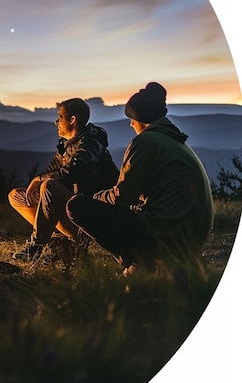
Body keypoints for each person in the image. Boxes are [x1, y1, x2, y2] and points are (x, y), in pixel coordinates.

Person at [66, 82, 214, 275]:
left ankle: (141, 263)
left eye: (131, 119)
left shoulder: (144, 142)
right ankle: (144, 264)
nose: (130, 124)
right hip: (192, 237)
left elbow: (122, 197)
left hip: (167, 235)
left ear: (139, 118)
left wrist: (96, 197)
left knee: (76, 206)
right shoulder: (175, 141)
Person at [8, 98, 118, 262]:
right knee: (17, 195)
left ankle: (36, 247)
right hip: (71, 207)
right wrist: (38, 185)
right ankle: (58, 242)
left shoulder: (90, 143)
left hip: (93, 214)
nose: (56, 122)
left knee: (49, 186)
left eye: (60, 117)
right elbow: (53, 172)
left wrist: (39, 179)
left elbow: (73, 172)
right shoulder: (67, 146)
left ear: (72, 120)